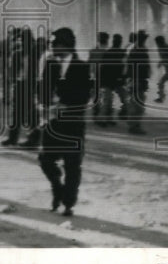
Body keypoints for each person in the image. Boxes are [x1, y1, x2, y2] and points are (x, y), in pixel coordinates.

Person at [37, 28, 92, 217]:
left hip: (73, 123)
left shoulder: (83, 67)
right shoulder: (50, 65)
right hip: (52, 122)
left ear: (66, 45)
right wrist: (43, 105)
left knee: (72, 164)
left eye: (55, 44)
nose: (51, 47)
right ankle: (57, 188)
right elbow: (42, 90)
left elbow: (84, 96)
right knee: (45, 160)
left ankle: (68, 203)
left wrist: (65, 105)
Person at [124, 30, 151, 134]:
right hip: (137, 80)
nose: (145, 40)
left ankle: (134, 125)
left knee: (136, 103)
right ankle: (134, 126)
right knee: (137, 105)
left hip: (137, 80)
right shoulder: (138, 51)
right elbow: (135, 67)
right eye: (144, 38)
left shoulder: (137, 49)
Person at [100, 33, 128, 126]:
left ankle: (106, 119)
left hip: (110, 79)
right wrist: (124, 77)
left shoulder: (109, 52)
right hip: (115, 79)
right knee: (112, 100)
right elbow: (125, 66)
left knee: (108, 100)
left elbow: (103, 67)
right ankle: (106, 119)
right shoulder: (121, 53)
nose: (118, 42)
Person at [87, 32, 109, 124]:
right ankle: (100, 117)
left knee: (98, 97)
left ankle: (98, 115)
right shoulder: (106, 51)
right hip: (102, 76)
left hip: (96, 76)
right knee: (103, 97)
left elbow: (89, 63)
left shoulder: (93, 51)